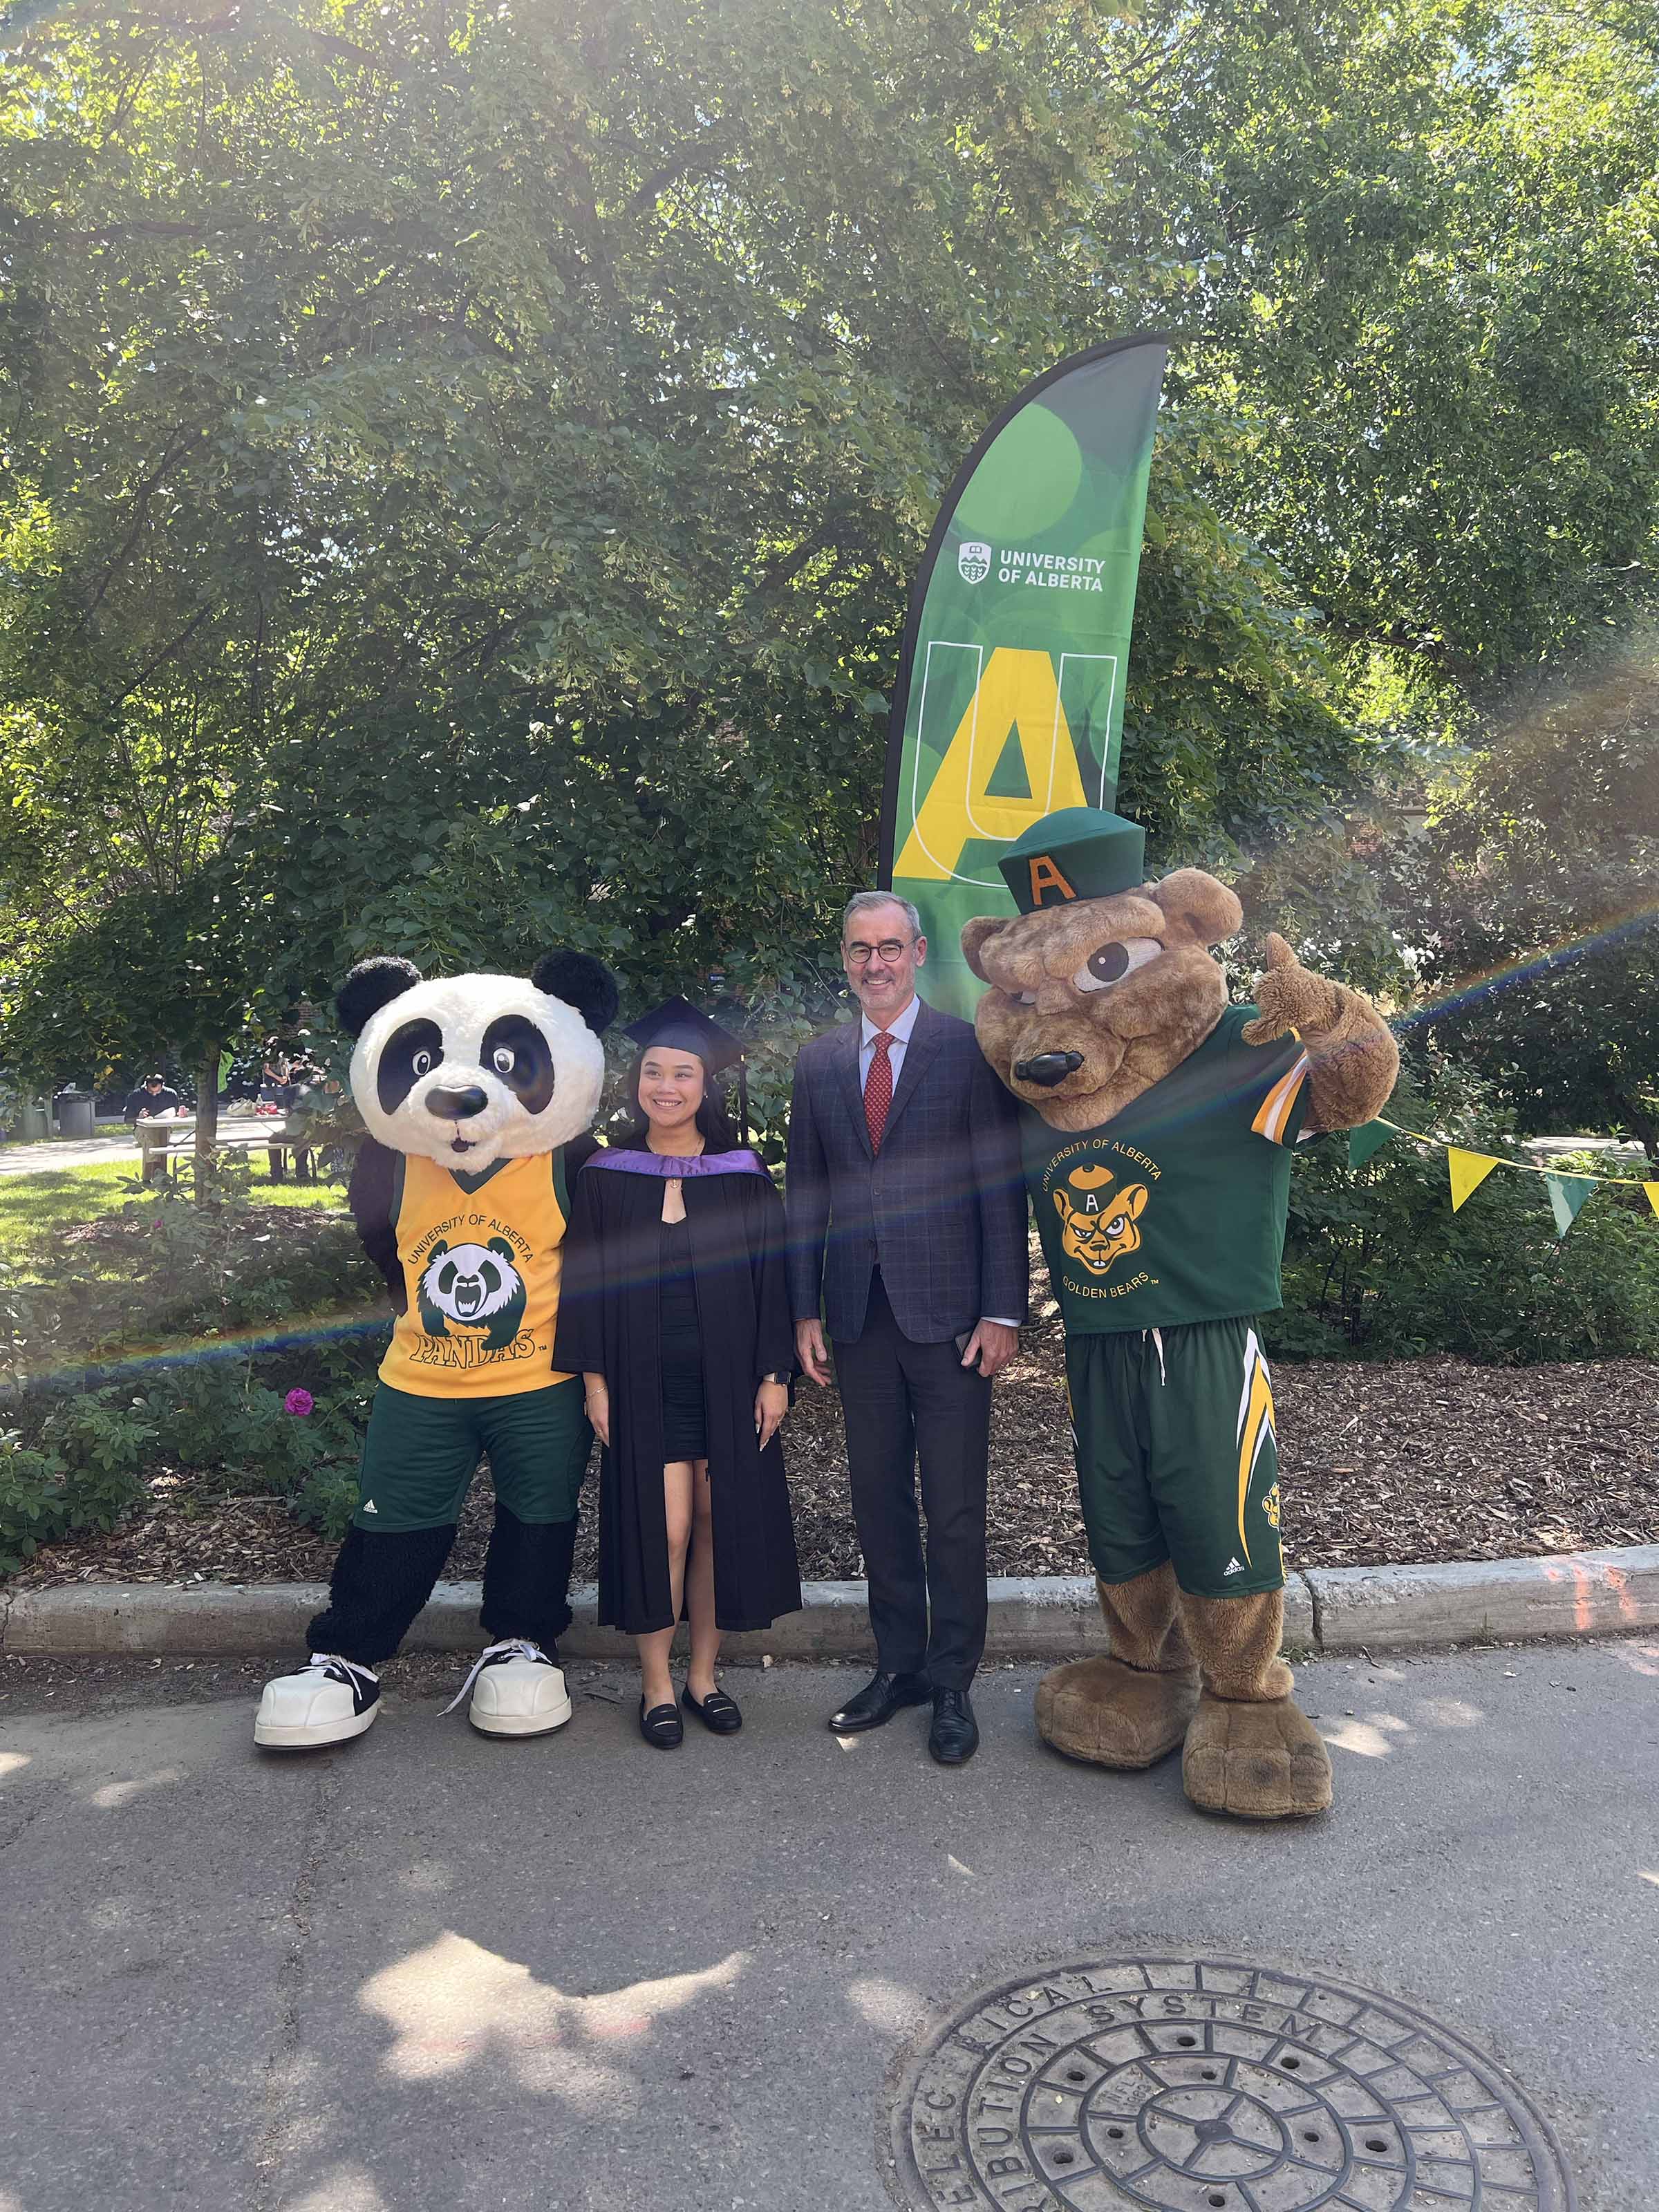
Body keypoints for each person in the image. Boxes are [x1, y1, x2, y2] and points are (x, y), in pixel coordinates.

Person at [786, 893, 1027, 1765]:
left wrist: (1005, 1309)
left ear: (919, 952)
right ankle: (898, 1668)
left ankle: (953, 1682)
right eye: (860, 950)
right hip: (857, 1315)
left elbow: (999, 1185)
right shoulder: (818, 1063)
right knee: (877, 1500)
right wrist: (803, 1309)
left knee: (955, 1508)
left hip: (954, 1317)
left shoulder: (968, 1051)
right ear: (845, 958)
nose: (875, 963)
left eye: (890, 947)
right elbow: (804, 1197)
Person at [555, 998, 801, 1750]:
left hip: (730, 1377)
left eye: (683, 1073)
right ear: (639, 1082)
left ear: (705, 1085)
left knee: (715, 1527)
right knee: (663, 1528)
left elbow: (772, 1279)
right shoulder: (605, 1174)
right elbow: (586, 1280)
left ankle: (703, 1676)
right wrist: (594, 1380)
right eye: (655, 1071)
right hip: (640, 1377)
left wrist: (774, 1373)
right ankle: (655, 1682)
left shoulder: (743, 1174)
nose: (667, 1086)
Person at [123, 1071, 182, 1183]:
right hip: (142, 1129)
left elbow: (176, 1113)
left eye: (157, 1088)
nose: (154, 1091)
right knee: (152, 1141)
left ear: (162, 1085)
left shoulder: (170, 1094)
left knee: (160, 1138)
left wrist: (181, 1114)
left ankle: (157, 1177)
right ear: (146, 1084)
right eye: (151, 1088)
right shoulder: (136, 1096)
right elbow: (127, 1120)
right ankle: (153, 1176)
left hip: (164, 1128)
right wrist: (139, 1117)